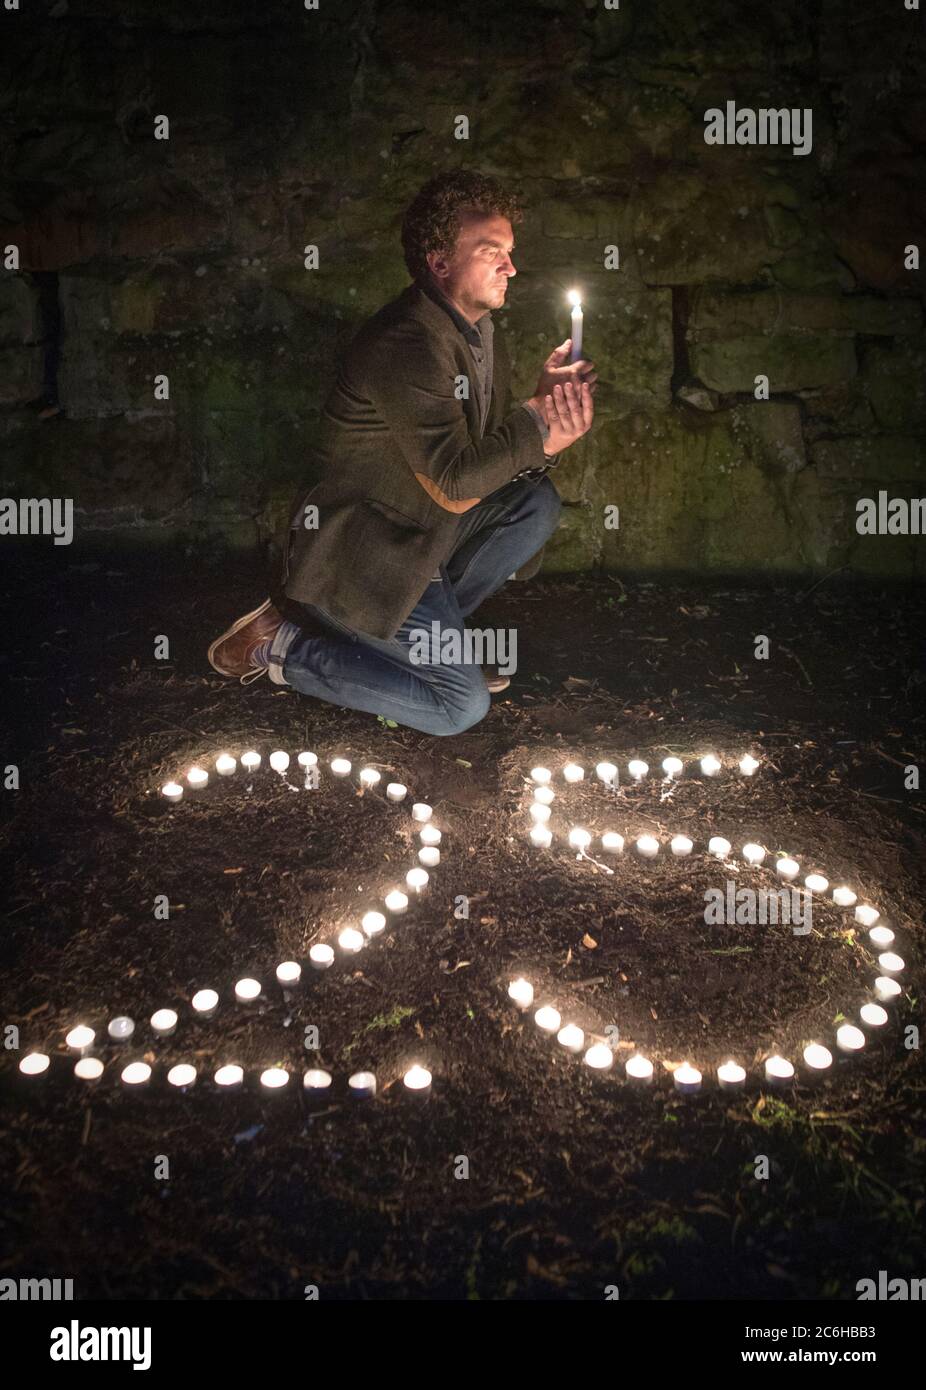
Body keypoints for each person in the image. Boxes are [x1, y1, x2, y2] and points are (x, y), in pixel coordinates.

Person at [208, 169, 596, 735]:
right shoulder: (406, 343)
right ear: (440, 263)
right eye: (493, 253)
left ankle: (420, 644)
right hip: (362, 557)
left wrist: (544, 417)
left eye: (510, 253)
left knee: (533, 501)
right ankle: (284, 646)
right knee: (459, 708)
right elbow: (458, 484)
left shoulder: (481, 333)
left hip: (422, 539)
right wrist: (537, 423)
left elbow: (488, 462)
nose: (511, 267)